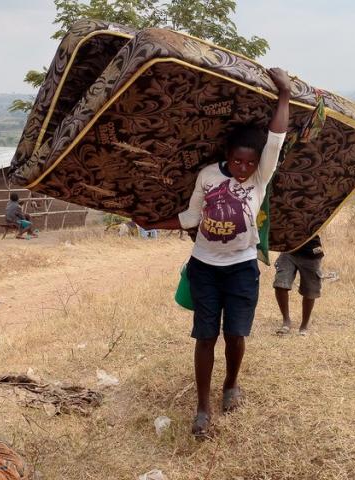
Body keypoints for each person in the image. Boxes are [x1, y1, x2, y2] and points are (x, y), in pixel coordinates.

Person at [136, 67, 291, 438]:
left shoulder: (259, 177)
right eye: (237, 161)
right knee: (205, 336)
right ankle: (202, 407)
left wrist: (284, 94)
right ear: (227, 155)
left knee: (236, 334)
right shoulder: (207, 175)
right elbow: (192, 215)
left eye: (249, 163)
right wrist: (154, 222)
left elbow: (276, 140)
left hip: (241, 268)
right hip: (204, 267)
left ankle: (231, 385)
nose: (242, 169)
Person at [274, 235, 324, 336]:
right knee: (280, 283)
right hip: (289, 249)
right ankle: (286, 321)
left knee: (310, 290)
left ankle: (304, 325)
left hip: (311, 252)